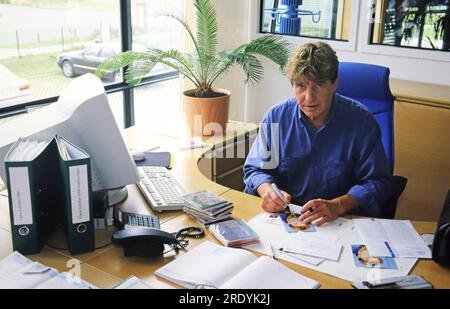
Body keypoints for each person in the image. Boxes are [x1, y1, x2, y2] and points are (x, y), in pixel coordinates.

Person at [243, 42, 392, 226]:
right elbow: (256, 169)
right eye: (301, 85)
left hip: (340, 222)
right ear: (292, 85)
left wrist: (338, 205)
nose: (309, 97)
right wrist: (267, 192)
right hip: (288, 221)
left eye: (319, 84)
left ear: (334, 83)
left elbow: (378, 181)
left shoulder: (361, 122)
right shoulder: (276, 117)